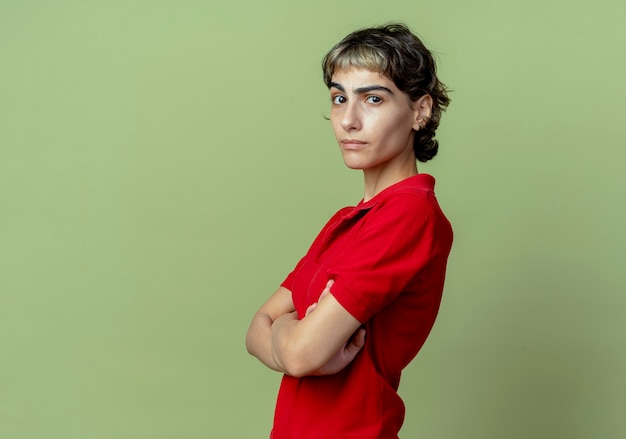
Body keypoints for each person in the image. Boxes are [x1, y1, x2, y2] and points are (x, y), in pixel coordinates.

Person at [246, 23, 453, 438]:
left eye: (373, 99)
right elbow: (257, 328)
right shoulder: (349, 219)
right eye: (339, 98)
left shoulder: (409, 214)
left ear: (420, 110)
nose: (348, 120)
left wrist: (289, 337)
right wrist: (292, 334)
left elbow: (303, 355)